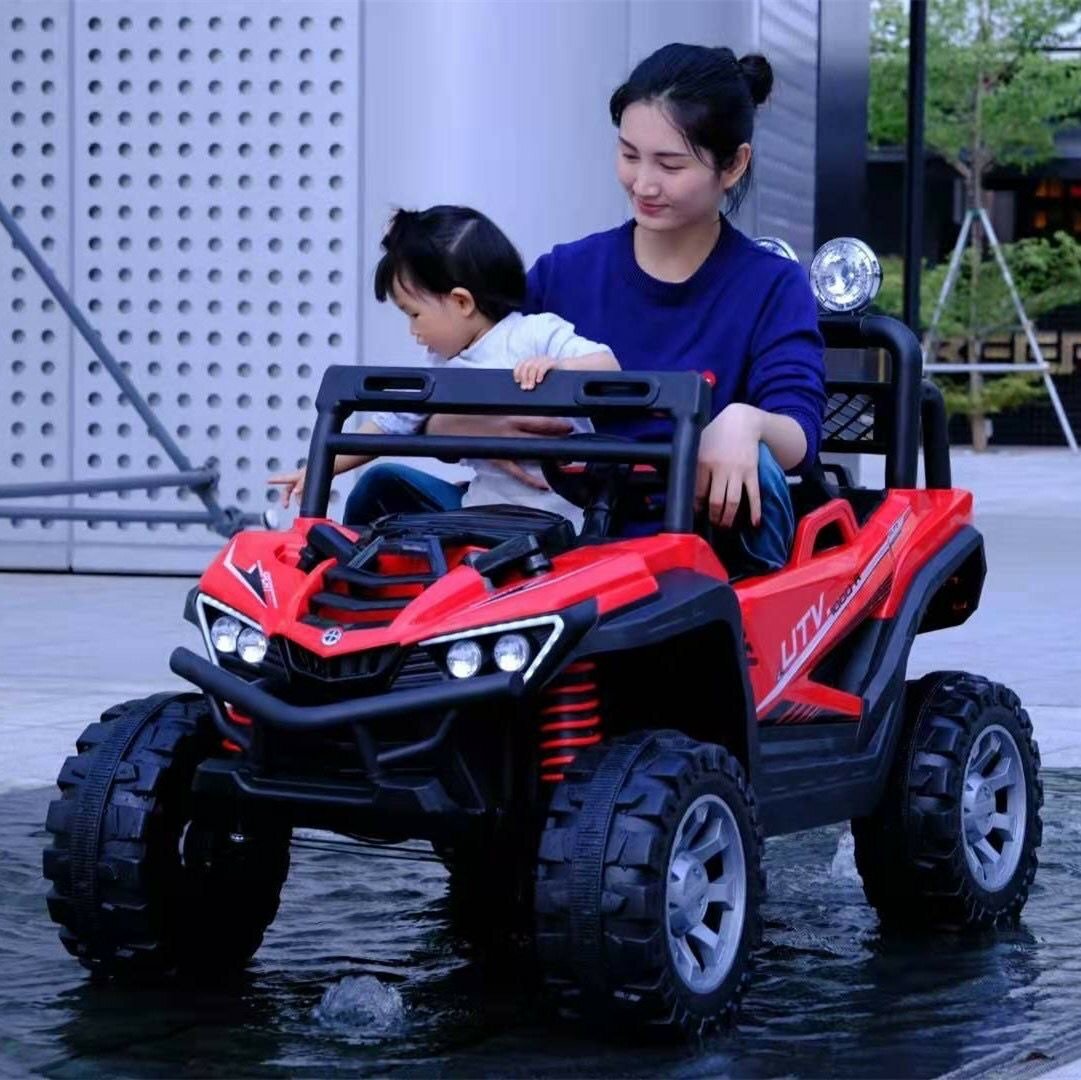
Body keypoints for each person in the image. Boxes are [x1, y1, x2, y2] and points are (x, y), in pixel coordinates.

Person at [300, 43, 826, 575]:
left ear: (733, 165)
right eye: (629, 155)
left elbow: (799, 438)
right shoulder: (564, 273)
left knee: (758, 469)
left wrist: (745, 423)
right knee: (381, 491)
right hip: (545, 534)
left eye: (670, 164)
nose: (643, 184)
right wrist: (464, 424)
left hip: (690, 543)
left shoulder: (771, 286)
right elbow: (464, 370)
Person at [268, 205, 619, 525]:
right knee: (380, 489)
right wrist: (318, 470)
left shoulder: (534, 333)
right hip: (479, 513)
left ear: (461, 302)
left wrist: (559, 369)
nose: (413, 331)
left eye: (414, 314)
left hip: (563, 521)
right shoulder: (442, 367)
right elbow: (387, 427)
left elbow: (608, 366)